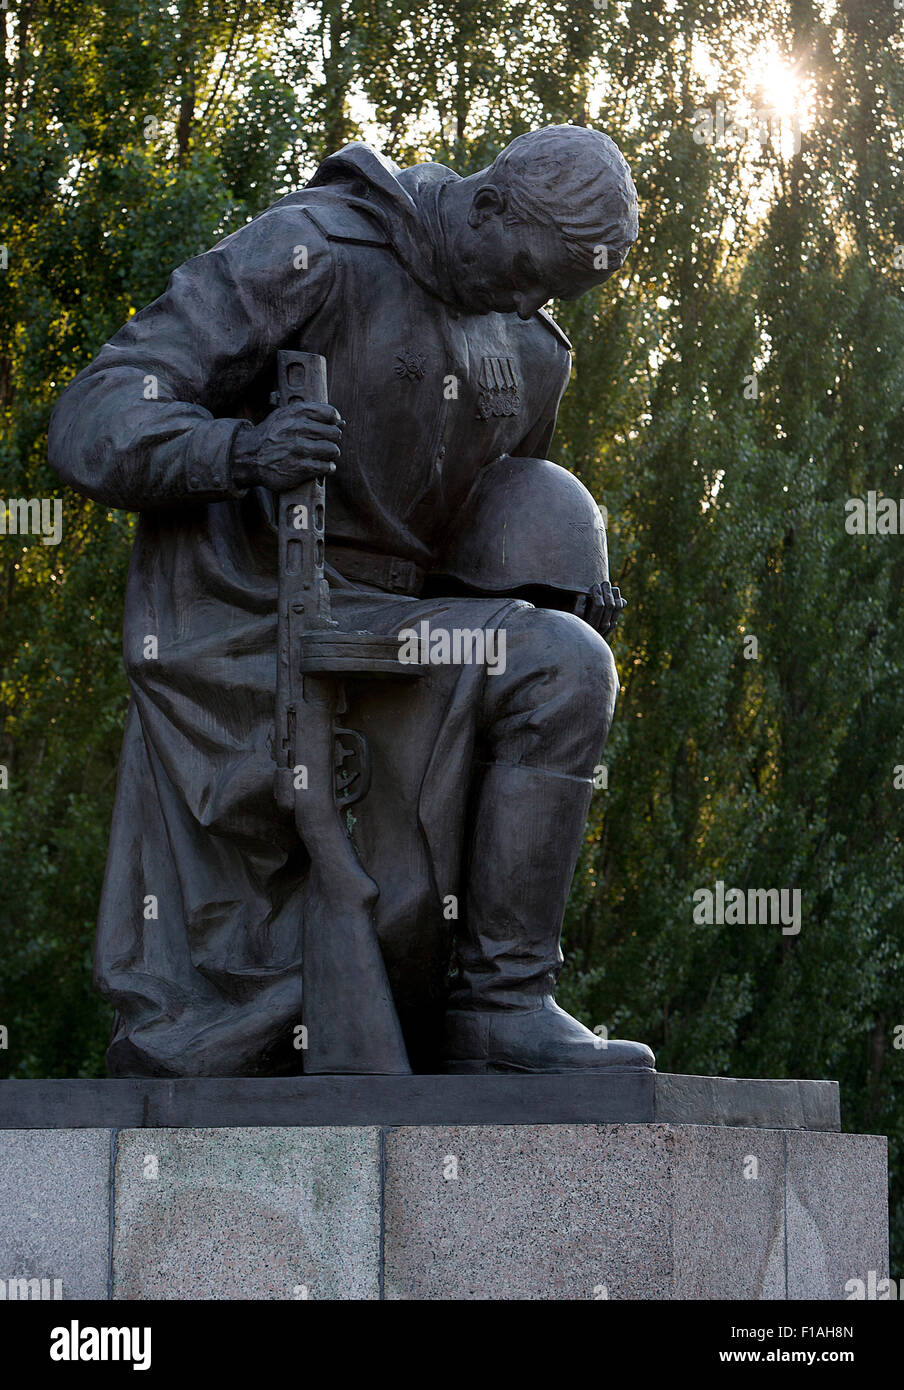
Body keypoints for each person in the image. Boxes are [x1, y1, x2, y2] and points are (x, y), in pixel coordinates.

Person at [48, 124, 655, 1077]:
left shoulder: (535, 349)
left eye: (555, 292)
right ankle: (497, 1002)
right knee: (559, 664)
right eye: (526, 272)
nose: (528, 303)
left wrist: (563, 588)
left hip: (403, 628)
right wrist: (239, 453)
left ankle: (501, 1004)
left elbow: (488, 522)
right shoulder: (315, 251)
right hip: (255, 619)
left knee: (566, 659)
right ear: (488, 206)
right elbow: (94, 417)